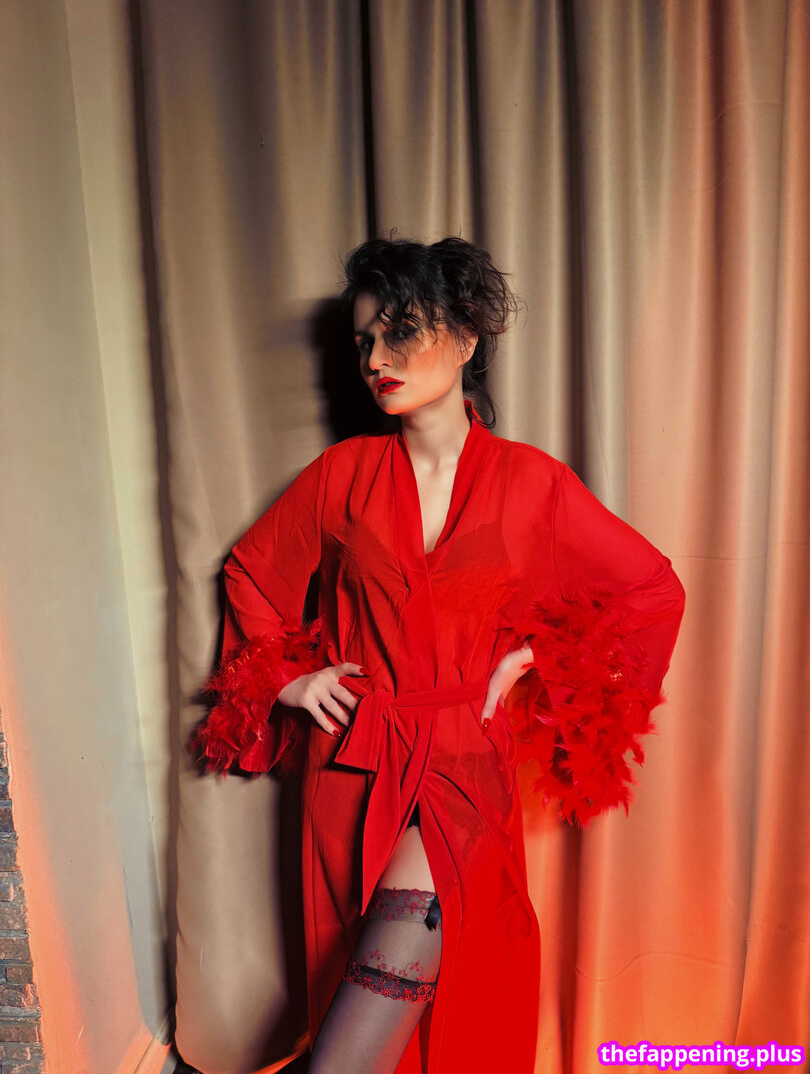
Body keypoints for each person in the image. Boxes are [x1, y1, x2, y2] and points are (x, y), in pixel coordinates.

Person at [190, 234, 686, 1073]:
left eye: (399, 332)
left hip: (463, 763)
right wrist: (290, 680)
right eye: (364, 341)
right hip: (353, 765)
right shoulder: (341, 474)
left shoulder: (533, 484)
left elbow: (651, 591)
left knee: (423, 990)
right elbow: (250, 572)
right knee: (364, 997)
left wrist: (534, 659)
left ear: (462, 338)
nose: (375, 360)